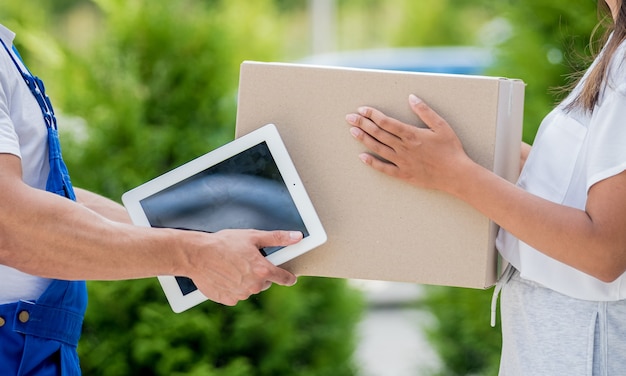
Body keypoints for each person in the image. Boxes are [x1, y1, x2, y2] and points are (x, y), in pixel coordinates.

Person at [0, 23, 301, 375]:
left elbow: (43, 198)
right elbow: (12, 226)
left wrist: (188, 235)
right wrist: (191, 254)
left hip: (34, 347)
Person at [346, 0, 626, 374]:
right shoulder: (616, 49)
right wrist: (459, 155)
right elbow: (574, 181)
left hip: (586, 346)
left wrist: (456, 173)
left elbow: (604, 252)